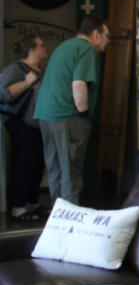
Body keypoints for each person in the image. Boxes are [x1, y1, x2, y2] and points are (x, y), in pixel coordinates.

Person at [34, 16, 110, 204]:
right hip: (67, 116)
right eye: (106, 35)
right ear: (95, 34)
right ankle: (69, 217)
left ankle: (56, 213)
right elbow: (78, 85)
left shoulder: (63, 47)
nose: (108, 40)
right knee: (70, 169)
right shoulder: (87, 50)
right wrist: (84, 114)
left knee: (55, 167)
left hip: (45, 115)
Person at [0, 35, 48, 220]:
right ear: (32, 49)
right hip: (19, 122)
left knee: (37, 163)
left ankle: (31, 203)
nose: (45, 49)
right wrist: (28, 82)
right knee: (24, 162)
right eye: (42, 45)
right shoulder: (16, 69)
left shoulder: (40, 70)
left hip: (35, 122)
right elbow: (3, 94)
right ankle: (18, 207)